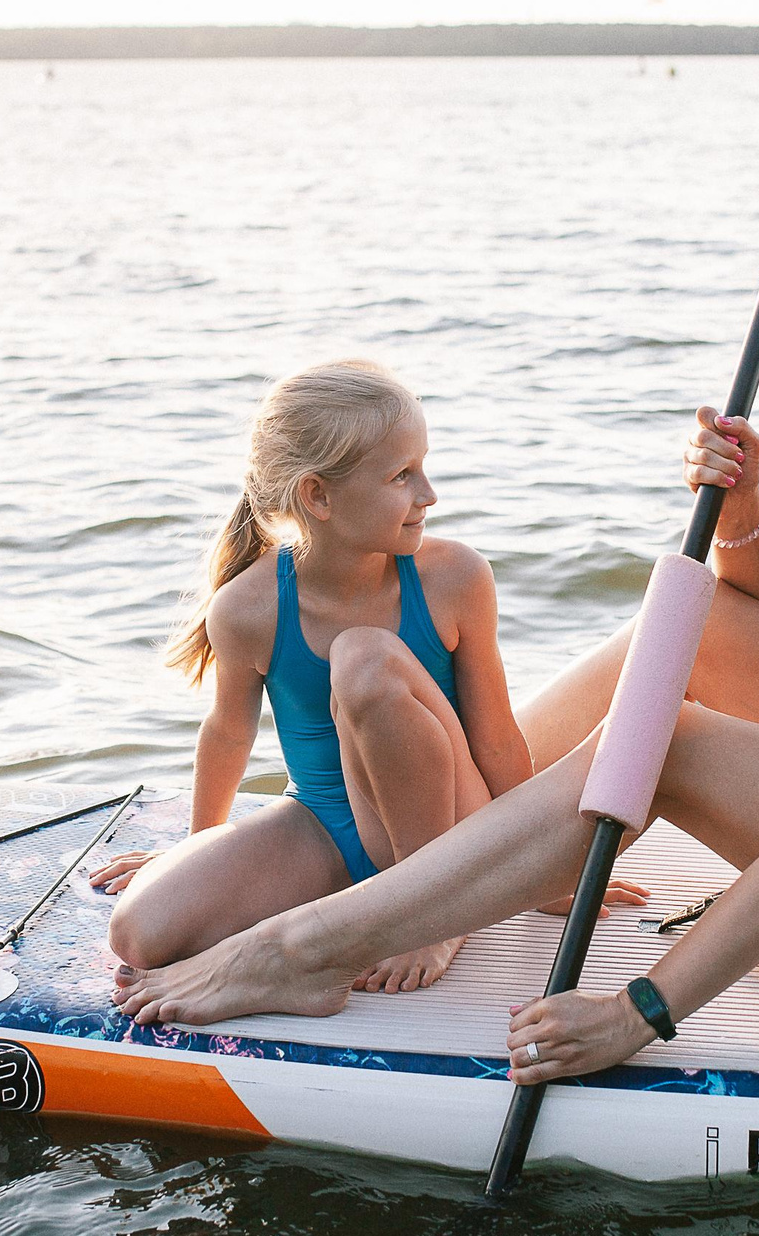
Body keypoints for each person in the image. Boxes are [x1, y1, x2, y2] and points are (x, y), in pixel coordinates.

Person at [114, 231, 759, 1084]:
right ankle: (476, 833)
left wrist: (639, 1012)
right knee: (684, 620)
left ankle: (318, 942)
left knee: (671, 745)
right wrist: (742, 510)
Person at [92, 360, 536, 992]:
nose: (429, 493)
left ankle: (433, 919)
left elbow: (494, 741)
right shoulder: (248, 609)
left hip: (446, 831)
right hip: (325, 827)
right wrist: (197, 850)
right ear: (318, 496)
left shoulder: (454, 578)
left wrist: (547, 867)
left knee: (364, 659)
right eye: (401, 475)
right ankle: (357, 922)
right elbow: (227, 735)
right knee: (139, 934)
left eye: (423, 467)